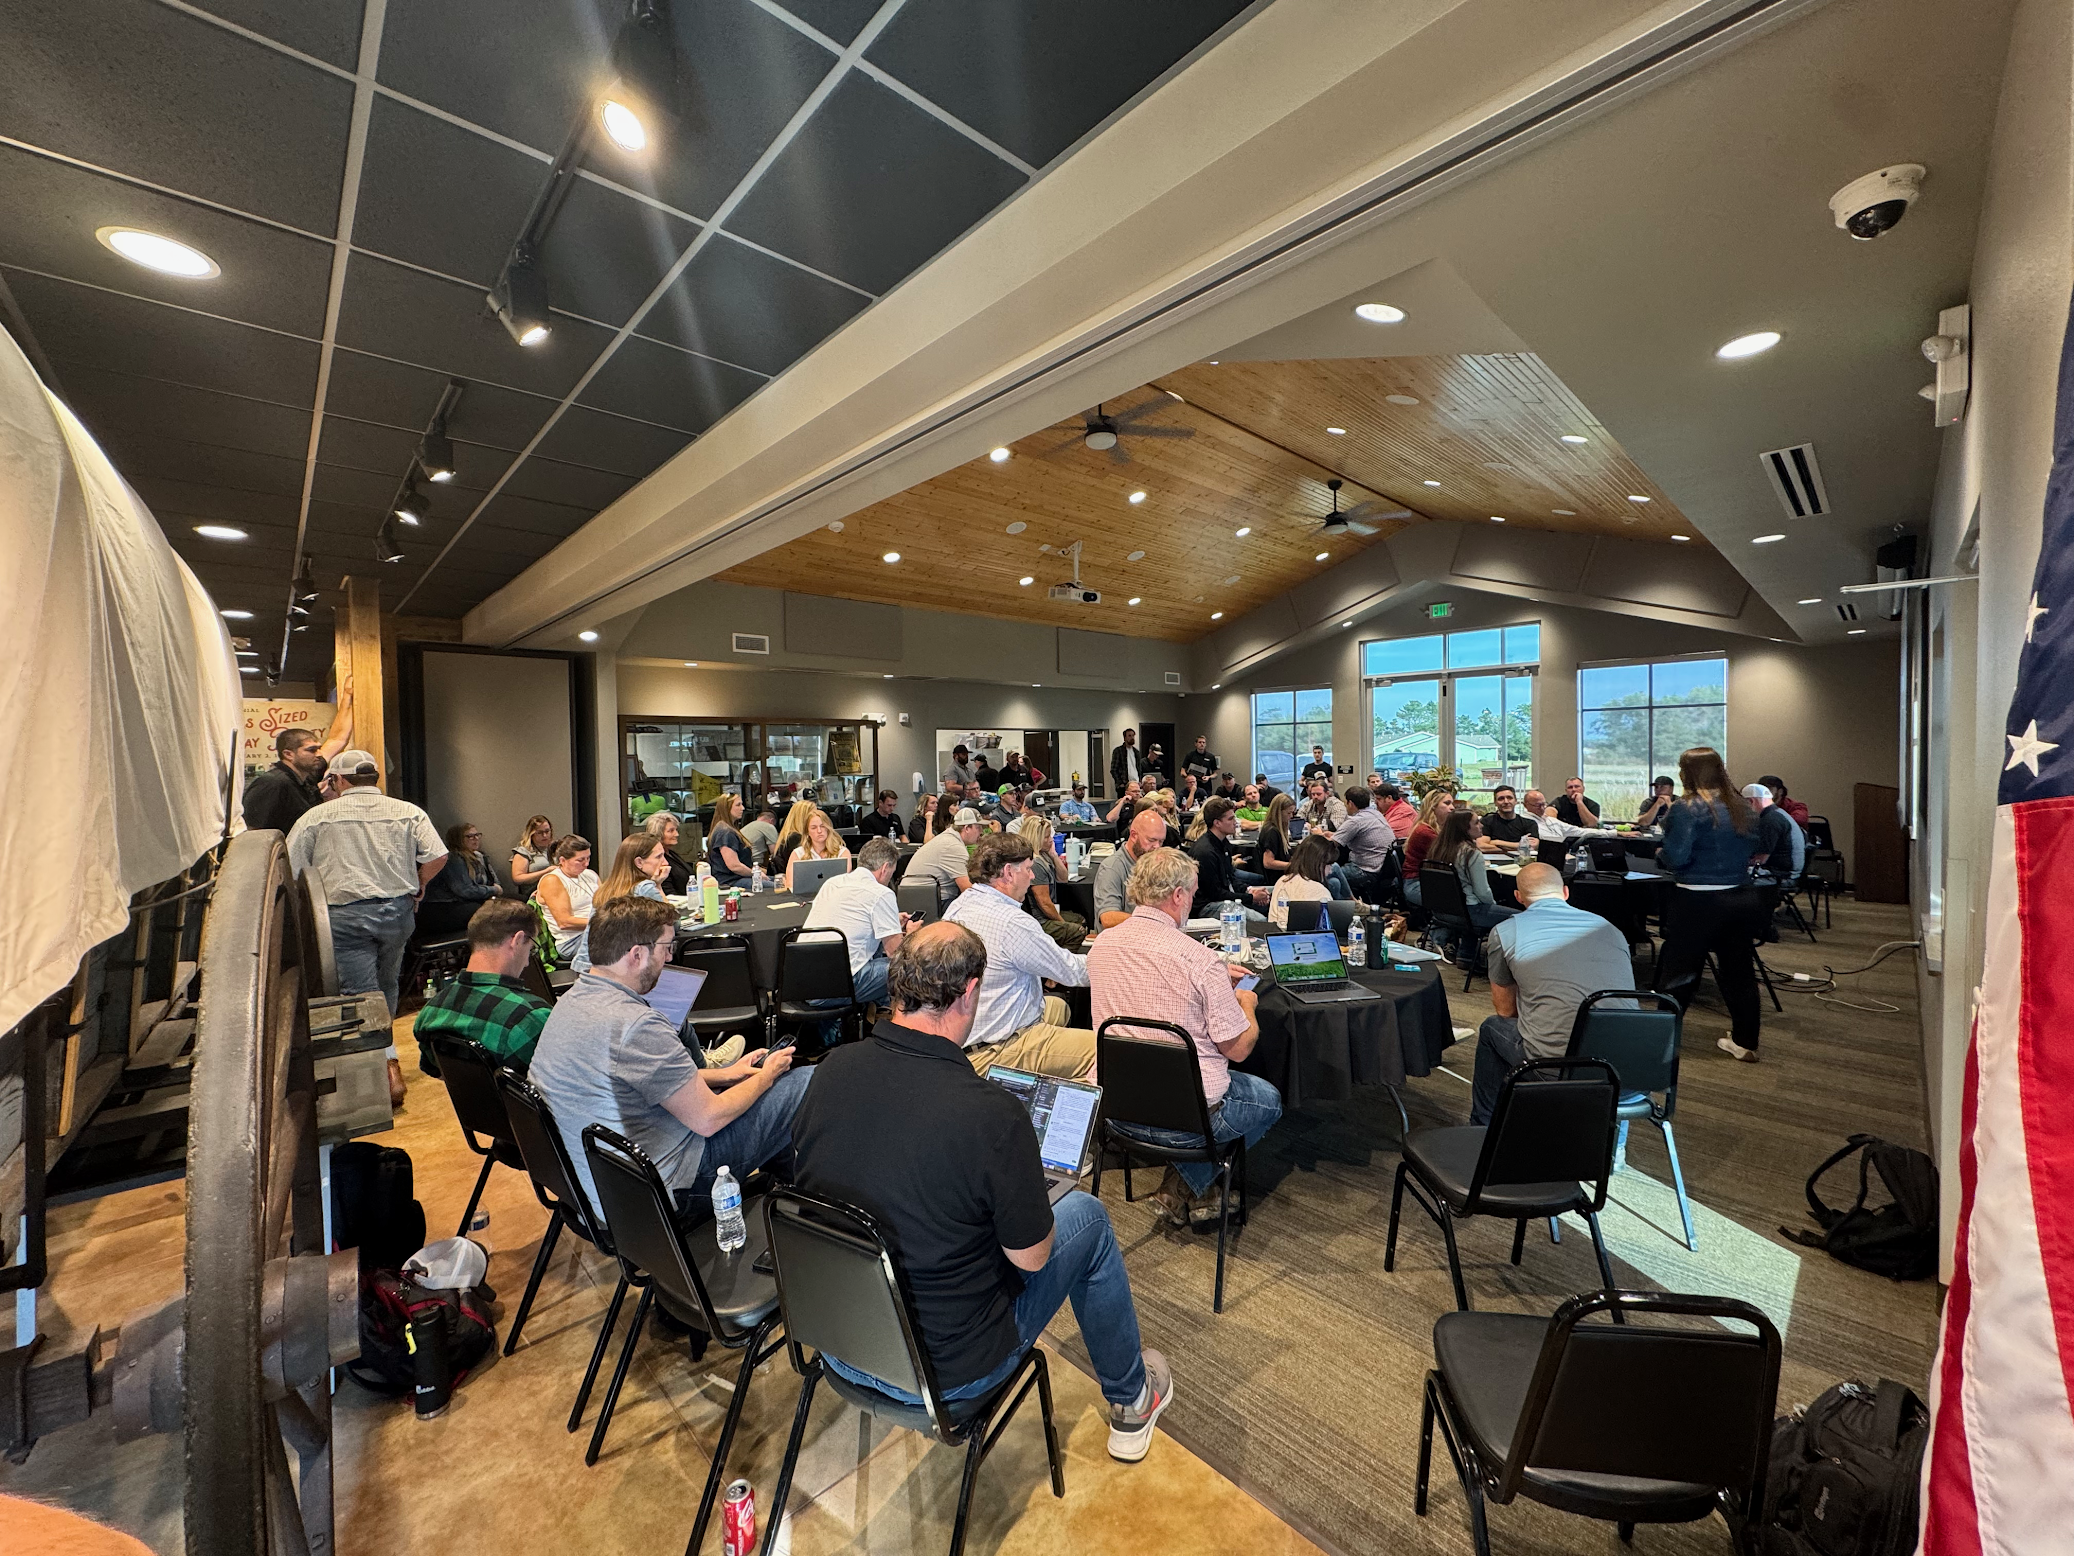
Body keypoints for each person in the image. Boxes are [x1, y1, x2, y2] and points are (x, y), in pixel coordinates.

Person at [788, 921, 1173, 1461]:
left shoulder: (829, 1070)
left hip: (838, 1342)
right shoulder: (991, 1114)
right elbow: (1033, 1259)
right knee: (1086, 1215)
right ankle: (1133, 1399)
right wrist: (1019, 1194)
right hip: (946, 1375)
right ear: (970, 992)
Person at [531, 897, 807, 1220]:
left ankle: (785, 1193)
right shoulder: (635, 1024)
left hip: (599, 1192)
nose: (670, 957)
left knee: (762, 1097)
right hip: (662, 1195)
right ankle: (802, 1206)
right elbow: (709, 1118)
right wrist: (767, 1076)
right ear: (637, 955)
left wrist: (728, 1074)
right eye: (666, 947)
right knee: (806, 1080)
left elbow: (647, 1080)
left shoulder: (569, 1003)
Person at [1089, 847, 1282, 1227]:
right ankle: (1188, 1184)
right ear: (1178, 895)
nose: (1193, 901)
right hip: (1188, 1122)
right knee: (1270, 1100)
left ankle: (1182, 1188)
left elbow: (1147, 984)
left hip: (1117, 1112)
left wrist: (1214, 976)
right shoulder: (1199, 961)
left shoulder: (1102, 947)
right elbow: (1239, 1049)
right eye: (1192, 893)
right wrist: (1246, 1003)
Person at [1470, 862, 1635, 1125]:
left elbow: (1505, 1011)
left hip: (1558, 1070)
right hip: (1633, 1072)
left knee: (1492, 1028)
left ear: (1518, 897)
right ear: (1566, 892)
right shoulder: (1609, 929)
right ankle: (1614, 1141)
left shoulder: (1505, 932)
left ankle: (1483, 1128)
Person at [285, 750, 445, 1018]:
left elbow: (292, 867)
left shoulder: (316, 816)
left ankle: (373, 1044)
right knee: (388, 982)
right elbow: (438, 855)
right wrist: (421, 882)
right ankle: (387, 1040)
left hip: (345, 916)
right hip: (397, 912)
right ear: (375, 777)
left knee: (358, 992)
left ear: (338, 779)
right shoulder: (409, 812)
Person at [942, 834, 1096, 1077]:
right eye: (1028, 868)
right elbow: (1074, 972)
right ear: (1008, 872)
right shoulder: (1013, 922)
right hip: (996, 1047)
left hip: (961, 1036)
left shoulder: (959, 905)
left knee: (1058, 1007)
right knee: (1106, 1051)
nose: (1032, 876)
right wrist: (1112, 959)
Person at [1655, 747, 1765, 1063]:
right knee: (1739, 973)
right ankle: (1745, 1042)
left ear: (1688, 773)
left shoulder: (1685, 807)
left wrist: (1660, 854)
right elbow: (1754, 848)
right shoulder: (1742, 806)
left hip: (1696, 900)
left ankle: (1659, 1042)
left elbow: (1676, 857)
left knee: (1679, 974)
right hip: (1740, 897)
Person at [413, 897, 553, 1068]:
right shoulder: (531, 1017)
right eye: (531, 948)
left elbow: (435, 1070)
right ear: (517, 940)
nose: (527, 963)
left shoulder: (431, 1011)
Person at [803, 836, 912, 1008]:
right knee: (910, 966)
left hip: (803, 982)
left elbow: (850, 920)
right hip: (838, 986)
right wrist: (912, 935)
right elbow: (895, 953)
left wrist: (891, 921)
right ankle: (895, 1016)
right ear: (885, 868)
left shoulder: (832, 883)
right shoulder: (881, 893)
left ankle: (877, 1010)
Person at [241, 686, 354, 834]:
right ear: (289, 754)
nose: (319, 754)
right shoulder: (273, 783)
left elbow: (337, 739)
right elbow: (252, 831)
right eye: (311, 750)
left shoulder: (306, 776)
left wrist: (347, 696)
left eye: (318, 748)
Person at [572, 832, 672, 972]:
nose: (665, 863)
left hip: (585, 966)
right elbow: (671, 924)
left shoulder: (606, 889)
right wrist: (658, 886)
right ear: (639, 862)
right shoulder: (644, 888)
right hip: (616, 972)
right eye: (658, 857)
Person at [1185, 797, 1271, 923]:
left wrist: (1249, 890)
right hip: (1206, 906)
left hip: (1223, 898)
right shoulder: (1205, 852)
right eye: (1230, 819)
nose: (1235, 822)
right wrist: (1251, 897)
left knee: (1273, 896)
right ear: (1217, 823)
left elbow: (1231, 878)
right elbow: (1216, 894)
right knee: (1261, 921)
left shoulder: (1223, 843)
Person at [1435, 808, 1517, 936]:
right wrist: (1493, 906)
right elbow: (1482, 892)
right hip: (1470, 910)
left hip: (1442, 910)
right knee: (1521, 917)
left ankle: (1467, 948)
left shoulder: (1438, 850)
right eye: (1477, 822)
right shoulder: (1471, 854)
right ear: (1465, 828)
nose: (1481, 825)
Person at [419, 822, 503, 938]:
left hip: (465, 900)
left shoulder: (480, 856)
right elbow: (465, 890)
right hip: (444, 906)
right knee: (488, 913)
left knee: (512, 903)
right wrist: (493, 890)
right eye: (470, 836)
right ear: (458, 840)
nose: (475, 839)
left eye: (477, 835)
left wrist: (493, 890)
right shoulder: (453, 859)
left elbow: (493, 881)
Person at [1017, 813, 1086, 950]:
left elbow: (1063, 878)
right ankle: (1059, 959)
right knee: (1076, 931)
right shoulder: (1035, 863)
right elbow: (1044, 903)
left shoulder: (1044, 855)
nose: (1051, 840)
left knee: (1080, 919)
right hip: (1040, 920)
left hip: (1047, 913)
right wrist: (1063, 924)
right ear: (1036, 837)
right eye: (1046, 837)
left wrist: (1054, 855)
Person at [1094, 809, 1169, 929]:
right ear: (1134, 835)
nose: (1157, 847)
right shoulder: (1111, 868)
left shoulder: (1155, 863)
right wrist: (1151, 922)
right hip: (1122, 937)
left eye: (1161, 841)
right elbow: (1107, 918)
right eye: (1151, 840)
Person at [535, 835, 598, 965]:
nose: (586, 864)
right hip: (572, 941)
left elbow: (605, 903)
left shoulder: (590, 874)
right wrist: (603, 922)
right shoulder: (552, 880)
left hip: (595, 931)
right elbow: (564, 922)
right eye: (580, 860)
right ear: (562, 861)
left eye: (588, 858)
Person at [909, 805, 983, 906]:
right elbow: (967, 889)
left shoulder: (950, 838)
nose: (981, 831)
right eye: (978, 827)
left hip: (920, 896)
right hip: (927, 901)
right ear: (966, 828)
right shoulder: (953, 846)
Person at [1334, 786, 1393, 897]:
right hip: (1381, 870)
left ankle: (1345, 903)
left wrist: (1319, 834)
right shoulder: (1377, 814)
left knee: (1328, 875)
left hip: (1364, 871)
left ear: (1350, 803)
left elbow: (1332, 844)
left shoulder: (1355, 821)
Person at [1269, 834, 1337, 930]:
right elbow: (1328, 930)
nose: (1330, 871)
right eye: (1329, 865)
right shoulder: (1320, 892)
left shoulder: (1282, 881)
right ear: (1318, 864)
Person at [1744, 782, 1807, 882]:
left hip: (1781, 876)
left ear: (1751, 801)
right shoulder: (1778, 813)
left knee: (1731, 878)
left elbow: (1760, 860)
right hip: (1788, 872)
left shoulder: (1770, 820)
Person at [1400, 789, 1452, 907]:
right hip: (1416, 884)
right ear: (1433, 806)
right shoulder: (1425, 832)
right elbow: (1451, 856)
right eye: (1447, 803)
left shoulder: (1437, 828)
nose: (1452, 807)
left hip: (1430, 880)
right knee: (1462, 901)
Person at [782, 808, 851, 892]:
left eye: (822, 826)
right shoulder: (798, 853)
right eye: (814, 828)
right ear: (807, 832)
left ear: (828, 828)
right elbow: (790, 884)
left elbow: (845, 882)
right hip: (804, 897)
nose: (819, 831)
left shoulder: (842, 852)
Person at [1519, 788, 1606, 843]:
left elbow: (1578, 831)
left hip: (1562, 848)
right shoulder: (1524, 822)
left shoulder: (1550, 820)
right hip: (1548, 852)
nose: (1542, 808)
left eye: (1544, 804)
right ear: (1526, 805)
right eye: (1538, 805)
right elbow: (1547, 839)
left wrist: (1611, 833)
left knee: (1590, 836)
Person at [641, 810, 695, 893]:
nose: (676, 834)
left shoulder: (671, 854)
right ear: (658, 833)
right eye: (671, 831)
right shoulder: (657, 860)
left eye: (676, 830)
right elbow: (667, 890)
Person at [1255, 792, 1299, 882]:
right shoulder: (1271, 832)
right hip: (1279, 878)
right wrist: (1294, 866)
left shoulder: (1277, 829)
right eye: (1288, 813)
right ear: (1279, 812)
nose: (1291, 816)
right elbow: (1268, 862)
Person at [511, 814, 557, 896]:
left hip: (556, 890)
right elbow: (517, 879)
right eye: (540, 833)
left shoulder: (557, 848)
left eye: (547, 831)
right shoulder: (524, 851)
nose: (544, 835)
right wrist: (546, 871)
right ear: (531, 834)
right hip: (534, 894)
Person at [739, 799, 782, 866]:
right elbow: (774, 852)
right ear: (772, 821)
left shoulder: (749, 826)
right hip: (754, 864)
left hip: (741, 861)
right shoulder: (769, 826)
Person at [1110, 729, 1144, 793]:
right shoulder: (1118, 751)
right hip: (1124, 784)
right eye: (1129, 736)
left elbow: (1139, 768)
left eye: (1133, 736)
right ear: (1124, 738)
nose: (1132, 738)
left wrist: (1140, 780)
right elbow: (1114, 769)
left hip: (1136, 783)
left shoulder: (1136, 752)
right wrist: (1120, 783)